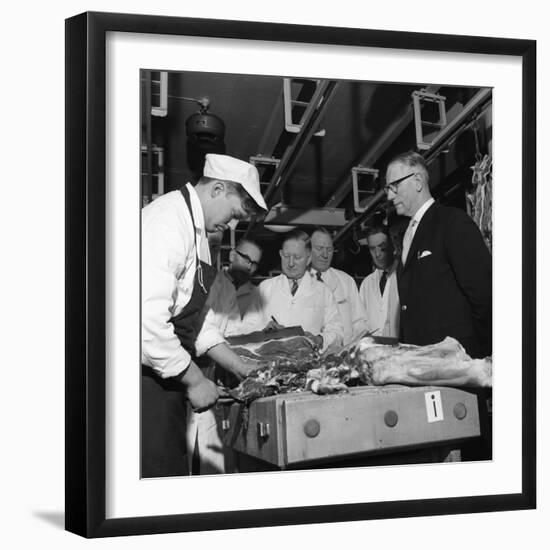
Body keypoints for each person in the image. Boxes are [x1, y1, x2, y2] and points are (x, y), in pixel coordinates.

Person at [141, 153, 267, 477]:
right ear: (217, 189)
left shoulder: (198, 234)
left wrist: (240, 366)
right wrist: (196, 380)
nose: (233, 224)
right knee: (157, 483)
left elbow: (198, 321)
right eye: (235, 212)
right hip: (142, 381)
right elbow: (146, 323)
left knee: (171, 470)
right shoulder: (168, 221)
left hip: (165, 376)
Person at [385, 151, 492, 358]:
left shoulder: (452, 222)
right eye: (387, 189)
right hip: (422, 365)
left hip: (457, 364)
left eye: (394, 186)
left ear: (417, 181)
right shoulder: (408, 234)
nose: (389, 195)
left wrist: (480, 359)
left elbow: (484, 296)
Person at [255, 229, 344, 353]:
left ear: (308, 259)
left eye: (297, 257)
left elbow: (337, 330)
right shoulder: (264, 288)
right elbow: (245, 326)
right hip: (270, 361)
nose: (291, 263)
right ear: (280, 254)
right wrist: (262, 329)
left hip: (309, 365)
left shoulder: (323, 291)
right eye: (286, 256)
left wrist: (319, 339)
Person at [309, 227, 368, 345]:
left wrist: (348, 346)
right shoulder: (299, 282)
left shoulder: (346, 281)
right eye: (319, 248)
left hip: (342, 354)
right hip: (309, 354)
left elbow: (360, 323)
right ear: (309, 250)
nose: (325, 255)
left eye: (329, 249)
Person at [359, 225, 400, 338]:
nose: (377, 254)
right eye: (372, 248)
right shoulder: (367, 283)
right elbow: (360, 321)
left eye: (382, 247)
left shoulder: (403, 276)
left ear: (392, 246)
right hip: (374, 349)